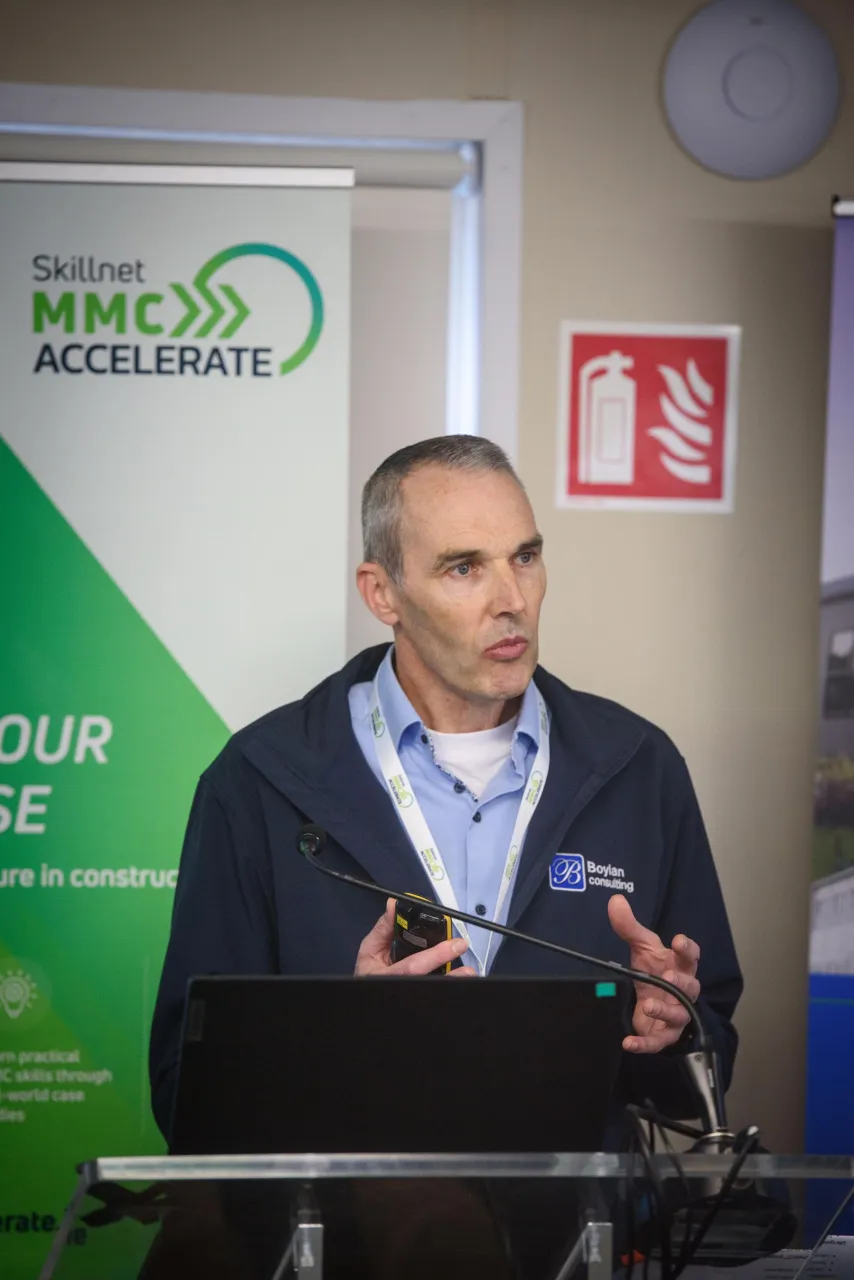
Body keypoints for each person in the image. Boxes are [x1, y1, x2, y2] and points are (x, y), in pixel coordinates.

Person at [149, 435, 742, 1275]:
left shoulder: (638, 768)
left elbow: (707, 1048)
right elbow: (184, 1089)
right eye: (464, 568)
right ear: (381, 591)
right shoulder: (262, 780)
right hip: (339, 1250)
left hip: (583, 1246)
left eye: (525, 557)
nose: (513, 601)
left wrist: (675, 1030)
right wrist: (340, 1038)